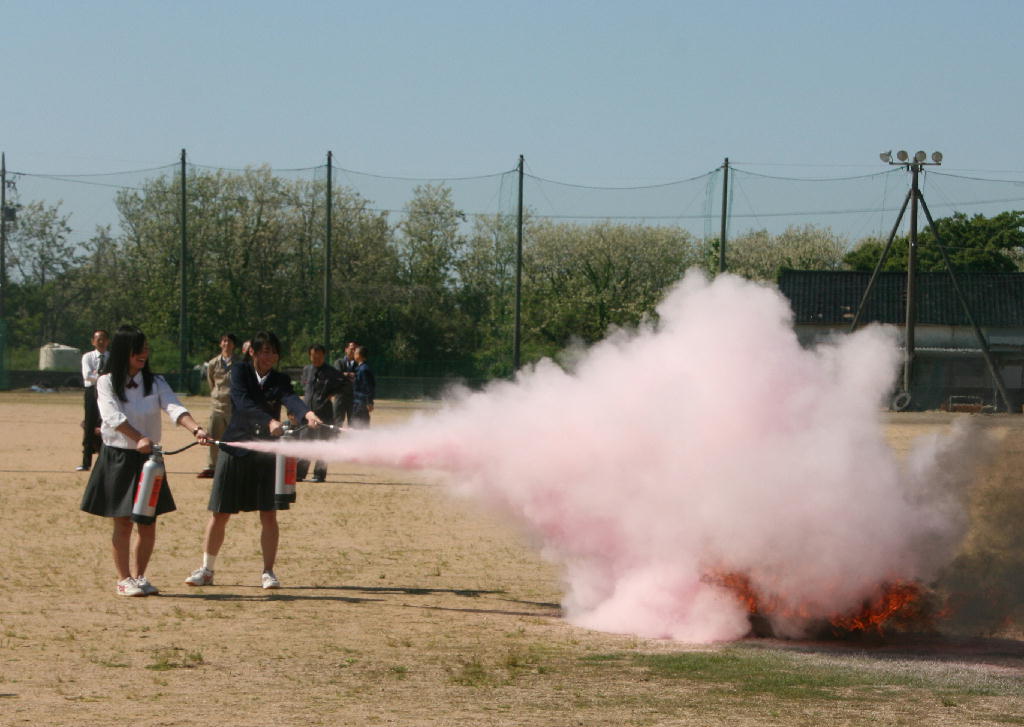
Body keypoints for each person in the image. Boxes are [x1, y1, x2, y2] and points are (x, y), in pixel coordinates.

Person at [185, 331, 322, 590]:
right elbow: (242, 402)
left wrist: (307, 413)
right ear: (253, 353)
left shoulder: (280, 379)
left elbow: (290, 399)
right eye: (264, 351)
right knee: (220, 513)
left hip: (266, 454)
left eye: (273, 352)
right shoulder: (239, 372)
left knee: (269, 514)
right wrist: (269, 421)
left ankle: (268, 572)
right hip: (235, 448)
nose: (269, 356)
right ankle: (207, 569)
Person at [80, 325, 209, 597]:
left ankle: (139, 577)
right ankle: (123, 579)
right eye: (138, 349)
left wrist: (196, 429)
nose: (144, 353)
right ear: (124, 352)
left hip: (150, 461)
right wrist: (139, 438)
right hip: (118, 458)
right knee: (124, 522)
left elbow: (174, 407)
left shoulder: (156, 382)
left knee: (148, 521)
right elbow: (112, 418)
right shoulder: (105, 382)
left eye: (146, 348)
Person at [296, 344, 343, 483]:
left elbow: (344, 385)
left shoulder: (332, 372)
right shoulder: (307, 369)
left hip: (324, 413)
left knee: (322, 443)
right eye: (313, 355)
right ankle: (300, 473)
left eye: (318, 355)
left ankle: (319, 474)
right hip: (307, 412)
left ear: (323, 356)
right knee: (305, 442)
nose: (315, 358)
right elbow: (305, 387)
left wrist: (332, 394)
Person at [197, 333, 239, 478]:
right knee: (213, 436)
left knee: (233, 438)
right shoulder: (214, 363)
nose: (226, 344)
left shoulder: (239, 363)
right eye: (224, 341)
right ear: (220, 344)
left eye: (229, 341)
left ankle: (233, 465)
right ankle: (212, 466)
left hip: (233, 406)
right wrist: (217, 394)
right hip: (217, 406)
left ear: (233, 345)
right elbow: (211, 382)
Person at [77, 329, 109, 471]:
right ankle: (86, 461)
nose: (101, 341)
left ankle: (105, 460)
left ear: (108, 341)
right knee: (89, 424)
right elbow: (87, 376)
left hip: (108, 392)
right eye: (98, 339)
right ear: (93, 341)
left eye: (103, 339)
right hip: (91, 392)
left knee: (107, 423)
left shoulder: (112, 357)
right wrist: (104, 377)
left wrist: (99, 375)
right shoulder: (87, 357)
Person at [331, 341, 358, 428]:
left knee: (353, 423)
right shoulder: (339, 362)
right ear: (346, 350)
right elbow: (336, 374)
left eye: (355, 349)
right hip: (340, 397)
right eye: (351, 349)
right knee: (337, 422)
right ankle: (335, 440)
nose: (353, 351)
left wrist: (344, 374)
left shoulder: (358, 364)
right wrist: (349, 375)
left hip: (353, 398)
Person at [351, 345, 375, 429]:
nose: (353, 354)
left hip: (361, 403)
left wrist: (369, 402)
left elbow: (368, 386)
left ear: (359, 355)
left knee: (359, 426)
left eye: (355, 353)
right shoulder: (360, 368)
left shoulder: (363, 369)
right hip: (358, 402)